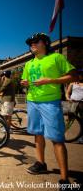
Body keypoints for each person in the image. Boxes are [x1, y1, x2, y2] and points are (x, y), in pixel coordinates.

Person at [21, 33, 77, 189]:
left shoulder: (56, 58)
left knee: (57, 139)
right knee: (37, 134)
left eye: (34, 41)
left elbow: (74, 76)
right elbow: (24, 81)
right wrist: (24, 83)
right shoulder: (29, 63)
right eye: (30, 42)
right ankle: (41, 163)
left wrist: (50, 80)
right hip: (32, 102)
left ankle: (65, 179)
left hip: (50, 102)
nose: (31, 44)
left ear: (45, 43)